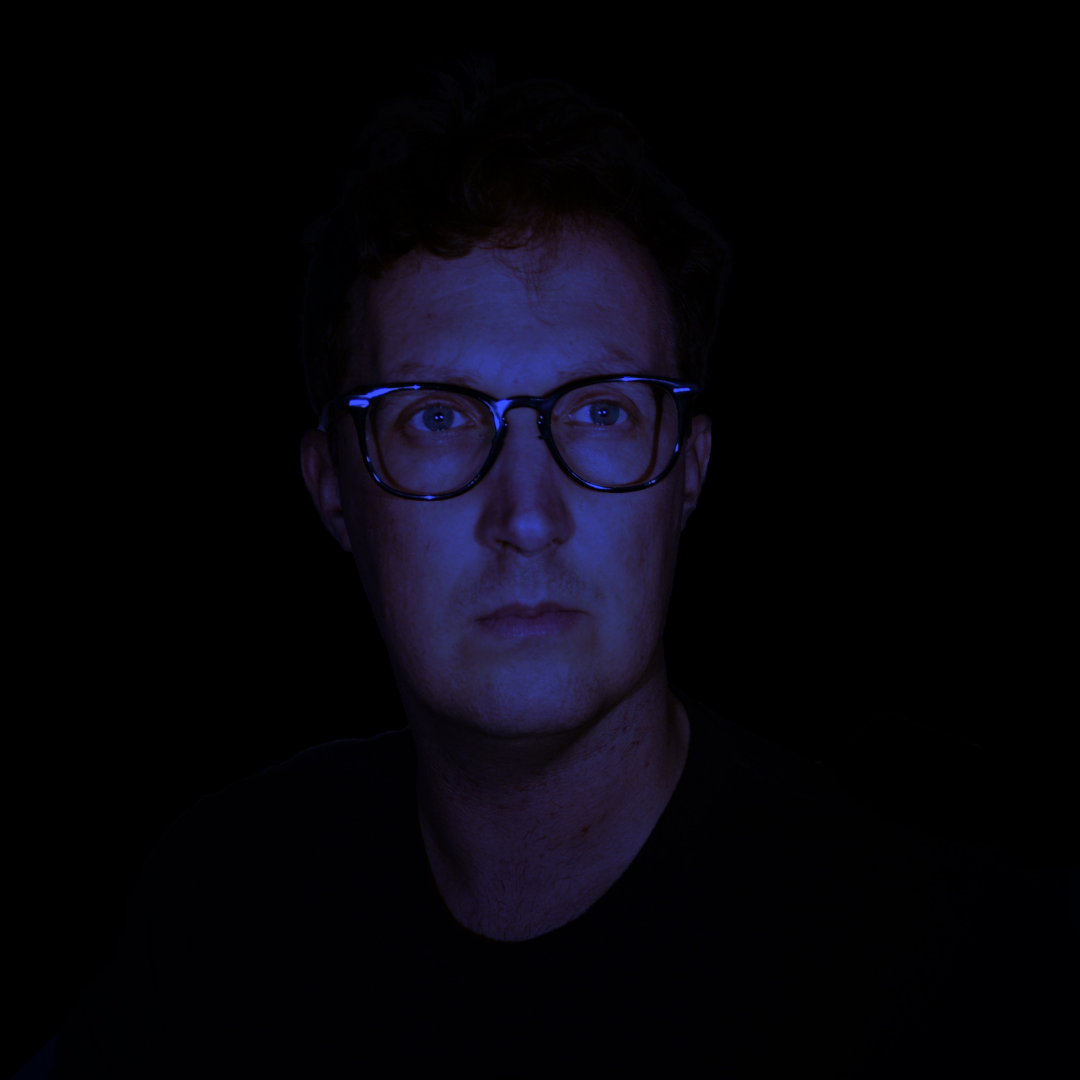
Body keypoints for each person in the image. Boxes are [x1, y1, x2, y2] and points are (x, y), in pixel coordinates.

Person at [47, 56, 1074, 1078]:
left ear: (688, 473)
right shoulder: (221, 904)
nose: (528, 518)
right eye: (438, 419)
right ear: (332, 489)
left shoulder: (952, 974)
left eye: (602, 412)